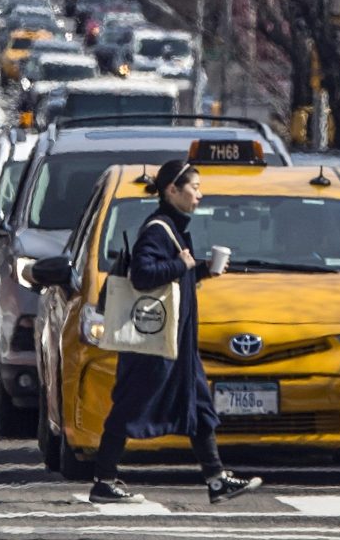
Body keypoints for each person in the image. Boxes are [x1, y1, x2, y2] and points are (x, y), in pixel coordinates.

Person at [90, 159, 262, 505]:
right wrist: (181, 265)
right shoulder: (158, 228)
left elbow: (170, 281)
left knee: (199, 407)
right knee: (129, 405)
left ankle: (216, 480)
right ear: (172, 190)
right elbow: (143, 275)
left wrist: (199, 272)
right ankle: (103, 481)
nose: (200, 194)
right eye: (194, 187)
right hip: (154, 343)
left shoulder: (172, 227)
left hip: (177, 343)